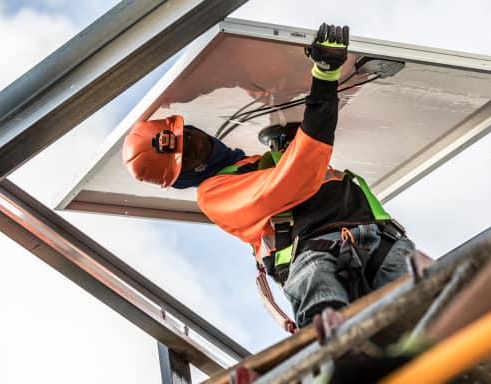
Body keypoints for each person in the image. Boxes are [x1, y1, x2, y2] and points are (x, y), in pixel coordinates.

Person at [122, 23, 414, 329]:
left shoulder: (259, 163)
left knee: (439, 314)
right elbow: (299, 173)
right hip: (314, 259)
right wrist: (325, 78)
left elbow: (234, 70)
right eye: (190, 154)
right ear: (182, 177)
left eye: (190, 135)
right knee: (335, 341)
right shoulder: (215, 196)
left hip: (381, 241)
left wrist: (195, 85)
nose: (199, 143)